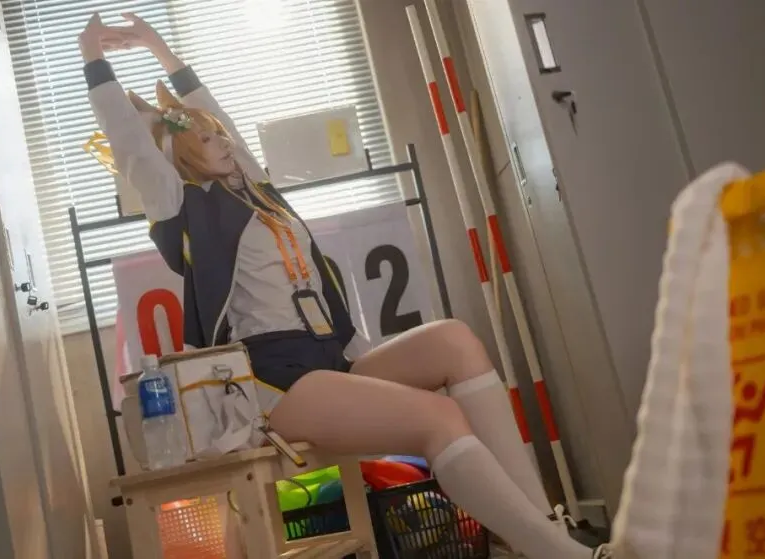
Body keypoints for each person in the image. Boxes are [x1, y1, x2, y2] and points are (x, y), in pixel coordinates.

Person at [78, 12, 609, 559]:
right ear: (184, 156)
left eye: (222, 134)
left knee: (454, 340)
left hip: (330, 357)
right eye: (209, 139)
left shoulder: (257, 193)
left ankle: (543, 532)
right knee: (439, 418)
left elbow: (213, 112)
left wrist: (160, 48)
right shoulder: (182, 210)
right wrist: (92, 56)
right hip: (273, 378)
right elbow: (132, 145)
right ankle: (556, 554)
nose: (225, 141)